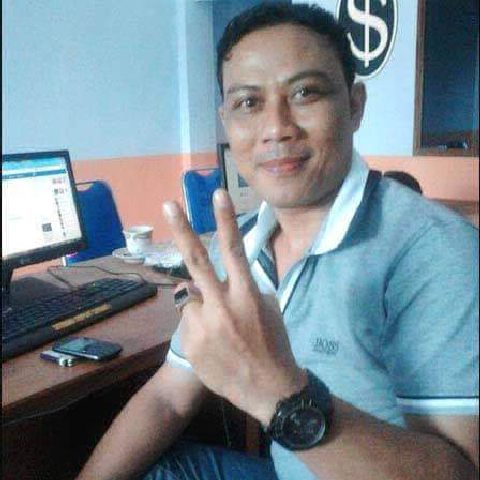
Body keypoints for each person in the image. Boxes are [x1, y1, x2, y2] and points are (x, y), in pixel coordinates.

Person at [76, 3, 478, 480]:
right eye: (249, 103)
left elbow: (462, 471)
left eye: (306, 92)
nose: (276, 128)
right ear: (227, 120)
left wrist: (278, 393)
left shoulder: (435, 250)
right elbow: (168, 398)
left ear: (354, 106)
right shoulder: (238, 248)